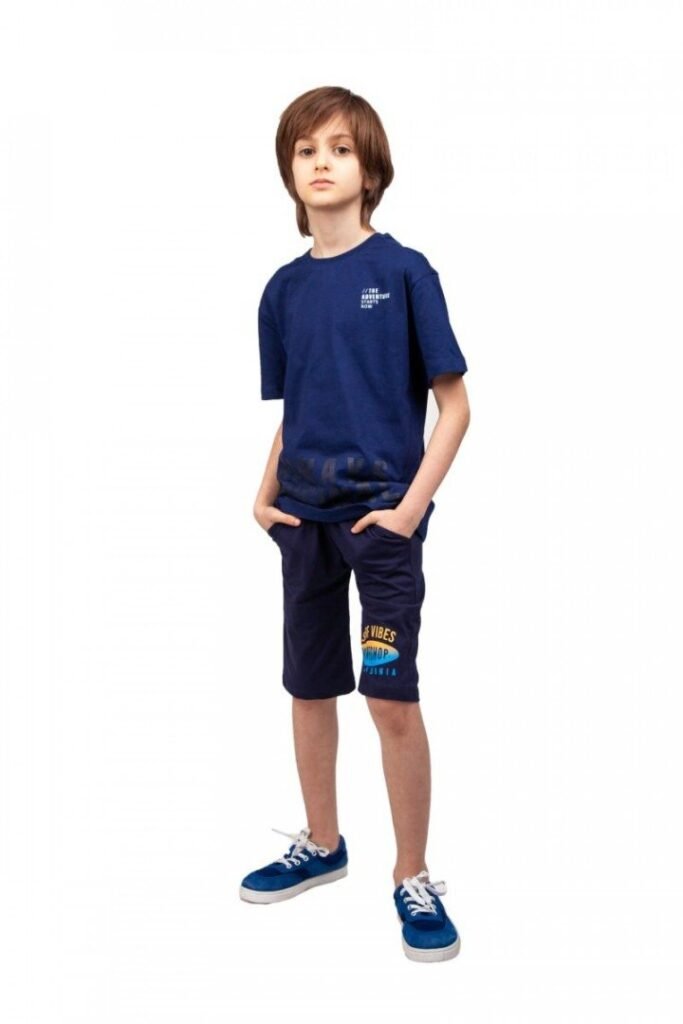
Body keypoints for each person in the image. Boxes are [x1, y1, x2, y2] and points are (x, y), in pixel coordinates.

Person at [239, 86, 471, 963]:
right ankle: (323, 842)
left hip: (380, 528)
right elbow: (296, 406)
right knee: (308, 689)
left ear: (370, 170)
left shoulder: (405, 273)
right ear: (288, 171)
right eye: (306, 150)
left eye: (339, 148)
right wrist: (261, 496)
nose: (321, 162)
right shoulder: (282, 289)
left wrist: (408, 511)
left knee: (389, 696)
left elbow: (454, 407)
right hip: (301, 522)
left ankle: (411, 873)